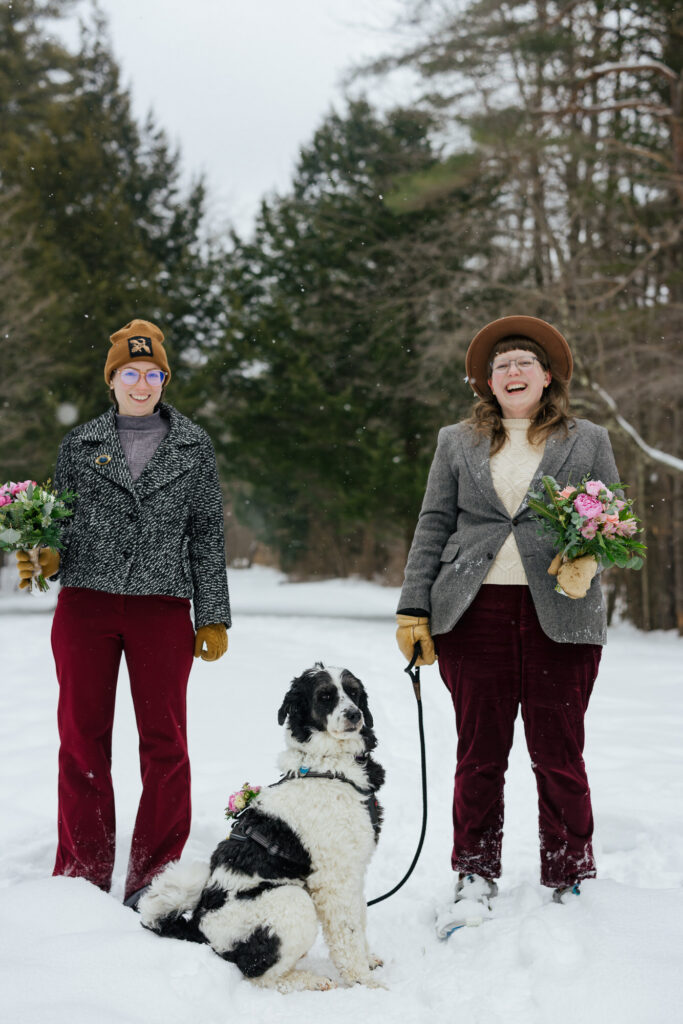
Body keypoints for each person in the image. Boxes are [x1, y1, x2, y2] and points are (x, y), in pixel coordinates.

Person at [395, 315, 619, 934]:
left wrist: (588, 549)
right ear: (486, 383)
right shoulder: (455, 442)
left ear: (548, 378)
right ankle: (473, 872)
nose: (513, 372)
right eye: (501, 366)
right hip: (473, 616)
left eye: (525, 363)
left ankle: (570, 872)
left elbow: (614, 518)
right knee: (479, 754)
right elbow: (433, 524)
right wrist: (414, 607)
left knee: (559, 754)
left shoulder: (589, 439)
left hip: (562, 617)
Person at [16, 319, 231, 909]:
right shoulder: (79, 444)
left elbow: (207, 533)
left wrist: (211, 613)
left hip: (162, 609)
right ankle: (83, 871)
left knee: (166, 744)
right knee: (82, 738)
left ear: (165, 379)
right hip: (86, 605)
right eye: (130, 373)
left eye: (153, 373)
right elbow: (57, 522)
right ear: (112, 380)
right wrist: (43, 552)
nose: (142, 383)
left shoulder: (194, 445)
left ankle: (154, 875)